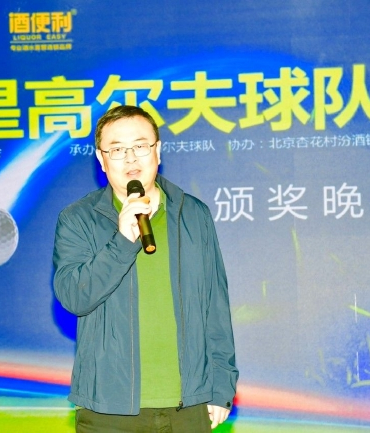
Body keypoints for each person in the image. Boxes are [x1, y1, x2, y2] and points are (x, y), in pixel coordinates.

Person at [52, 105, 238, 432]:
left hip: (189, 405)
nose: (130, 158)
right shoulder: (78, 219)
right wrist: (123, 241)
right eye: (117, 149)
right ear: (101, 159)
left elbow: (215, 306)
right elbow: (74, 297)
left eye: (140, 146)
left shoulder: (193, 214)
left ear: (157, 151)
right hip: (109, 409)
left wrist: (221, 385)